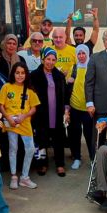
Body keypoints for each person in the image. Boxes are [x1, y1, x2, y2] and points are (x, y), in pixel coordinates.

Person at [0, 62, 39, 190]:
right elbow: (0, 105)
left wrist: (24, 116)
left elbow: (34, 108)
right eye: (17, 73)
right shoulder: (7, 87)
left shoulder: (30, 90)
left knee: (30, 148)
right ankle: (14, 175)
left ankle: (25, 177)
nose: (20, 76)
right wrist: (8, 117)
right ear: (13, 74)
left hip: (24, 123)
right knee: (13, 148)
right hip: (11, 123)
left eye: (22, 73)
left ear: (26, 74)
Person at [30, 47, 70, 177]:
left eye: (53, 60)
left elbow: (65, 95)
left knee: (58, 139)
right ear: (43, 59)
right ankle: (42, 164)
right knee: (41, 139)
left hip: (56, 113)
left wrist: (66, 110)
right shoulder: (34, 75)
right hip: (41, 114)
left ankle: (60, 164)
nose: (50, 62)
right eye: (48, 59)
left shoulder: (59, 76)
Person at [68, 44, 93, 169]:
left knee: (89, 135)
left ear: (87, 54)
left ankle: (93, 159)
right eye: (79, 53)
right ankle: (77, 157)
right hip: (75, 107)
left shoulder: (92, 67)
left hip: (88, 108)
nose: (81, 56)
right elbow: (70, 83)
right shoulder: (74, 67)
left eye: (84, 53)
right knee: (75, 134)